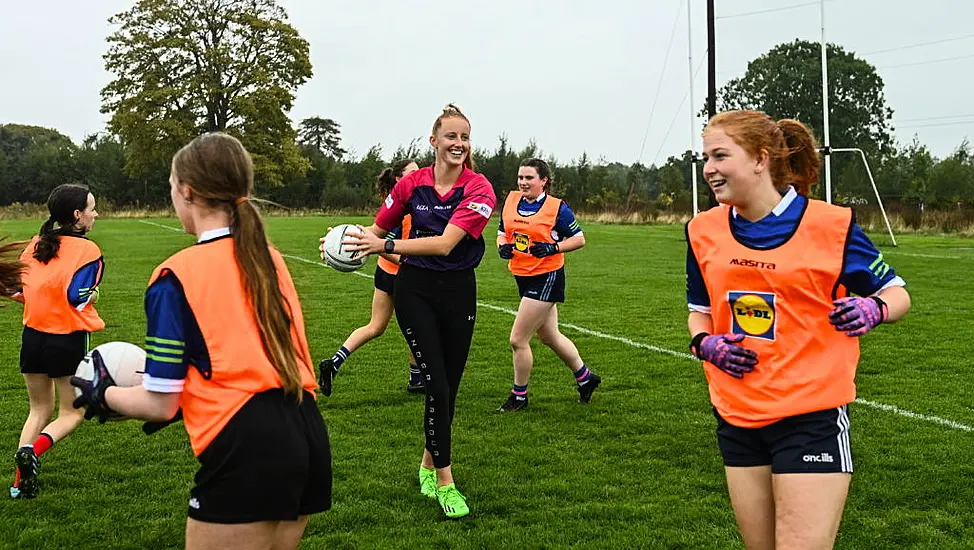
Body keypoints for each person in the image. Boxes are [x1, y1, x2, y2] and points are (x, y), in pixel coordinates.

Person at [72, 133, 330, 548]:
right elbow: (235, 361)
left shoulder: (176, 274)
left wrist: (103, 392)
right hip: (306, 429)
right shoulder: (267, 257)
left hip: (247, 445)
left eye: (172, 186)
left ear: (186, 191)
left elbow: (161, 402)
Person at [685, 110, 911, 550]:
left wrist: (873, 308)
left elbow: (898, 294)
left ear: (759, 159)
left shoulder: (831, 225)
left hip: (812, 418)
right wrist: (705, 343)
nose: (708, 168)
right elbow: (699, 312)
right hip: (737, 416)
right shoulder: (702, 230)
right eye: (705, 157)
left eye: (719, 155)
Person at [337, 104, 496, 519]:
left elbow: (445, 244)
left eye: (464, 137)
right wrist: (342, 241)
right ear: (434, 141)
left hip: (459, 291)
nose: (458, 144)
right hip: (414, 291)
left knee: (451, 389)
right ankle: (446, 481)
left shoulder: (480, 189)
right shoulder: (411, 186)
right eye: (451, 137)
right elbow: (375, 230)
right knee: (437, 387)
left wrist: (385, 246)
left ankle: (428, 463)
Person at [9, 184, 103, 499]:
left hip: (32, 339)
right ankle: (33, 451)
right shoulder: (89, 251)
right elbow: (76, 300)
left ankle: (18, 483)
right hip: (66, 341)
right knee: (72, 413)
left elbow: (22, 292)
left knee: (37, 410)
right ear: (77, 216)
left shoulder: (35, 245)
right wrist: (93, 295)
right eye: (92, 208)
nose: (96, 214)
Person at [495, 158, 599, 412]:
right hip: (522, 274)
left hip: (547, 276)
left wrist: (554, 247)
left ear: (544, 181)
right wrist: (502, 247)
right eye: (520, 177)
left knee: (518, 339)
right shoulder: (511, 201)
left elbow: (579, 239)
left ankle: (519, 396)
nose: (523, 182)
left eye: (529, 178)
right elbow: (501, 231)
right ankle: (586, 379)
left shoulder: (557, 208)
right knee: (549, 336)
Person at [318, 158, 424, 396]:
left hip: (384, 273)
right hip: (403, 274)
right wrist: (414, 263)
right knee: (419, 328)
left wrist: (341, 236)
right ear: (399, 179)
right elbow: (386, 243)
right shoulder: (405, 207)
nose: (420, 174)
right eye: (413, 172)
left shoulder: (396, 203)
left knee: (375, 326)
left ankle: (334, 362)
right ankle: (417, 378)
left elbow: (372, 232)